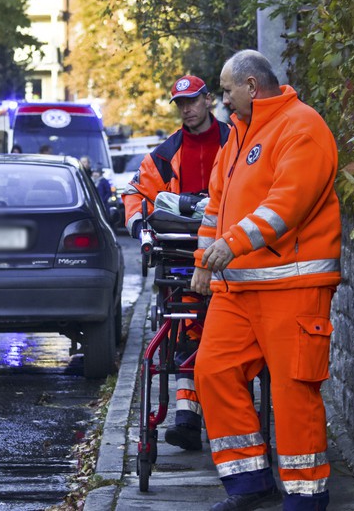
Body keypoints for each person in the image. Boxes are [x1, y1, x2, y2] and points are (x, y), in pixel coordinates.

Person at [190, 50, 341, 510]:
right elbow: (215, 206)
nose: (222, 99)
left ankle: (306, 498)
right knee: (212, 372)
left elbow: (285, 206)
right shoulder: (236, 135)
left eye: (227, 89)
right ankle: (250, 484)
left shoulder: (303, 126)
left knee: (294, 392)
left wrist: (230, 245)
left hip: (291, 288)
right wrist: (203, 259)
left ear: (252, 87)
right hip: (237, 290)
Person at [122, 75, 231, 451]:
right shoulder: (165, 155)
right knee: (186, 327)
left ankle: (211, 416)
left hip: (230, 255)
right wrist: (141, 230)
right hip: (182, 260)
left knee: (222, 333)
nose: (187, 109)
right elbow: (136, 193)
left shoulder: (236, 142)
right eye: (180, 103)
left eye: (193, 101)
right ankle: (186, 416)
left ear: (209, 100)